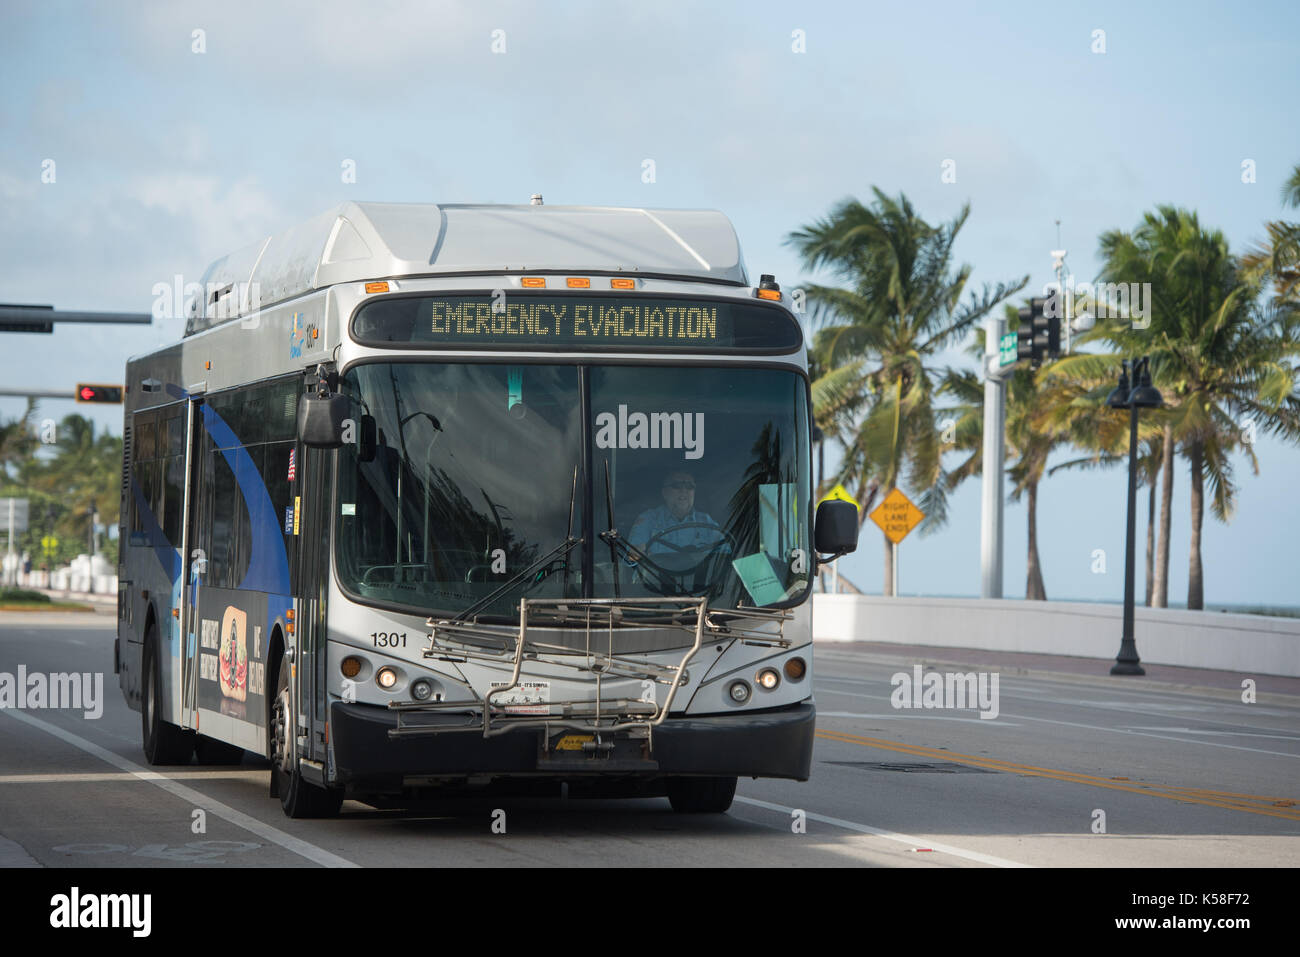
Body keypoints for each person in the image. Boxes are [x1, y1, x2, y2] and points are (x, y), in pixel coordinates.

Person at [626, 470, 727, 567]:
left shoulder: (707, 522)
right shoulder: (648, 520)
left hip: (699, 583)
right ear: (665, 492)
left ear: (694, 492)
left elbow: (725, 558)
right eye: (677, 486)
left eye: (689, 486)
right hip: (655, 583)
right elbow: (631, 560)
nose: (684, 491)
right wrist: (636, 554)